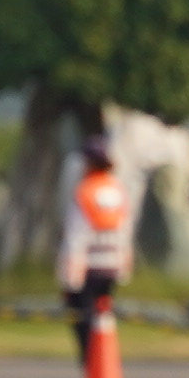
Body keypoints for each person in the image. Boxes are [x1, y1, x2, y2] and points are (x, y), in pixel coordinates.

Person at [58, 135, 132, 324]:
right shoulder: (118, 189)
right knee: (103, 314)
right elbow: (125, 230)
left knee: (82, 315)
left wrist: (70, 278)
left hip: (88, 266)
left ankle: (91, 344)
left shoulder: (85, 190)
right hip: (112, 265)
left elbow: (76, 236)